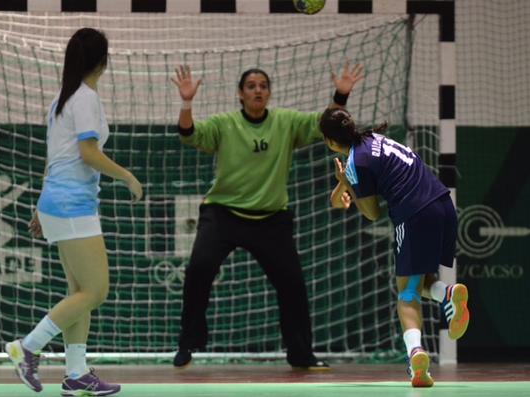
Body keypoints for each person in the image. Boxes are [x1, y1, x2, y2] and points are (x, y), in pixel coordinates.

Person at [170, 62, 364, 369]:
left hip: (271, 219)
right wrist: (186, 102)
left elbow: (327, 123)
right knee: (198, 271)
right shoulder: (225, 123)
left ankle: (302, 354)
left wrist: (340, 94)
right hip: (223, 214)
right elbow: (188, 133)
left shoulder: (286, 121)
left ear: (269, 93)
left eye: (263, 85)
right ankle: (187, 344)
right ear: (240, 94)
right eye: (251, 86)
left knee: (293, 285)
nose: (258, 90)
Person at [5, 27, 143, 396]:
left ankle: (77, 374)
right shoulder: (84, 99)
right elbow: (88, 154)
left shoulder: (63, 100)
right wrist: (128, 176)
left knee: (79, 290)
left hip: (58, 203)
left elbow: (55, 159)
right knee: (96, 291)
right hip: (71, 206)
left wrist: (40, 205)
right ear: (103, 61)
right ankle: (27, 347)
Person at [319, 108, 470, 387]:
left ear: (330, 141)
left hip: (414, 214)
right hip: (443, 204)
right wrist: (346, 183)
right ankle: (446, 294)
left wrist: (347, 183)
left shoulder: (356, 163)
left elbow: (372, 213)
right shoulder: (375, 138)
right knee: (423, 280)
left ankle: (416, 356)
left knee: (407, 292)